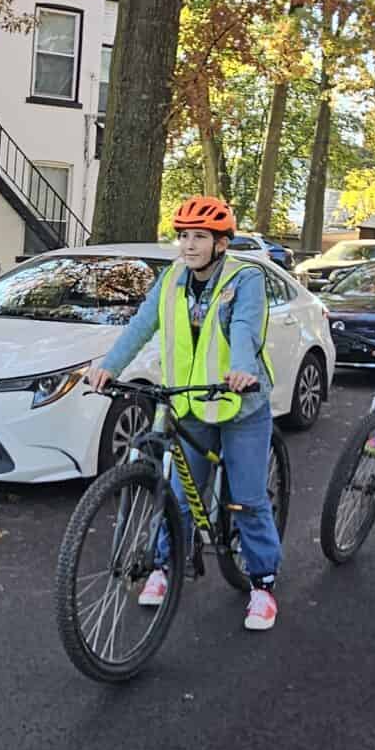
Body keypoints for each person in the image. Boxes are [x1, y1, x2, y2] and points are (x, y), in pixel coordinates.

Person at [83, 195, 282, 631]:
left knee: (247, 498)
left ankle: (263, 583)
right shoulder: (172, 278)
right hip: (189, 401)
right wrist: (108, 367)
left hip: (238, 402)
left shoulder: (245, 277)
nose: (189, 246)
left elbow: (248, 327)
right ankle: (164, 565)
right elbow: (141, 324)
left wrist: (242, 369)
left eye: (200, 237)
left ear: (221, 243)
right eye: (184, 236)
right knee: (176, 492)